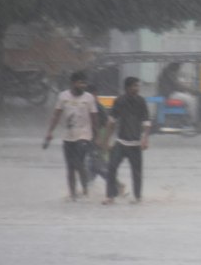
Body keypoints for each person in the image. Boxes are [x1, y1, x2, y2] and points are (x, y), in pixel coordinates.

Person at [44, 71, 98, 201]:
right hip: (68, 137)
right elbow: (56, 115)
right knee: (70, 168)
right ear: (73, 83)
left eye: (85, 83)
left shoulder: (89, 98)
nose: (83, 85)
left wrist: (96, 137)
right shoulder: (63, 96)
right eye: (81, 83)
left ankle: (85, 192)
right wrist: (50, 132)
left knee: (79, 164)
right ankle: (73, 195)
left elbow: (94, 118)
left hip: (84, 136)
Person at [102, 77, 151, 205]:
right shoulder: (119, 101)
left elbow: (146, 122)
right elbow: (111, 121)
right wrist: (106, 141)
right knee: (111, 167)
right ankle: (110, 196)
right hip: (121, 142)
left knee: (137, 172)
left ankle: (137, 197)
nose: (137, 88)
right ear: (127, 88)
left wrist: (145, 139)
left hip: (135, 143)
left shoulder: (141, 101)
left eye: (138, 86)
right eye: (135, 86)